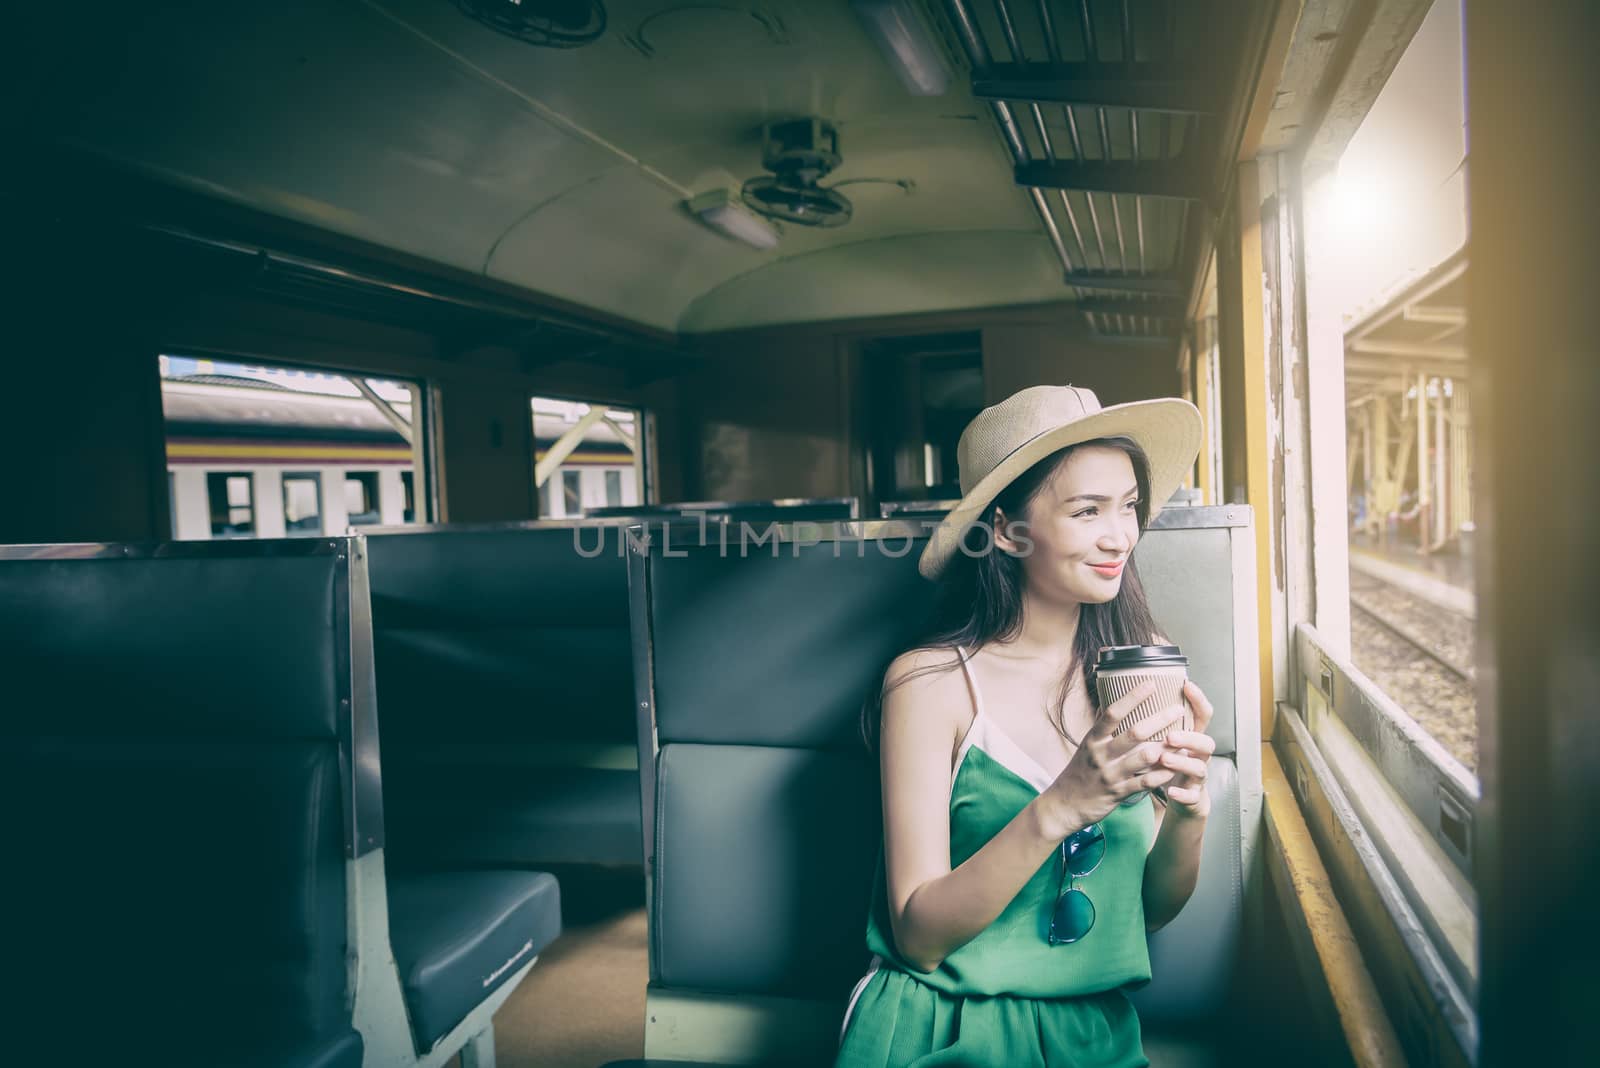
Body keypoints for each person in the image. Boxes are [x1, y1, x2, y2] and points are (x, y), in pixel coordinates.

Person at [837, 385, 1216, 1068]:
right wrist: (1063, 806)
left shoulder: (1139, 664)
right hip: (940, 1025)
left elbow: (1151, 910)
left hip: (1092, 1030)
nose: (1119, 535)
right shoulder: (929, 682)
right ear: (1009, 530)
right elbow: (918, 935)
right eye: (1087, 510)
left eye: (1128, 506)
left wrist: (1190, 811)